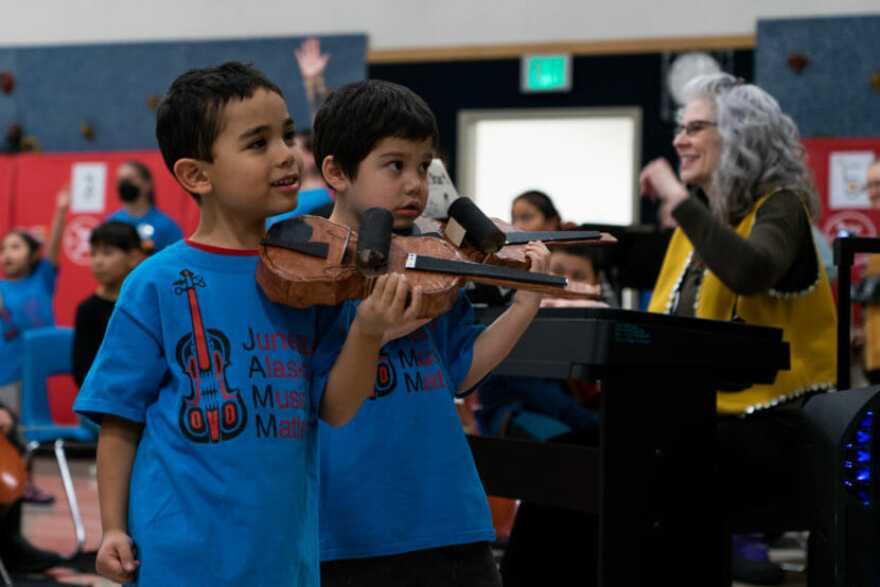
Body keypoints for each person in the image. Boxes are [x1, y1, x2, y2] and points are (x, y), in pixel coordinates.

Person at [74, 62, 417, 587]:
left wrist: (368, 331)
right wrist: (113, 528)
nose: (286, 154)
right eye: (258, 143)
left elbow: (337, 407)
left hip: (283, 555)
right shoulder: (154, 283)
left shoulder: (314, 278)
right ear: (196, 174)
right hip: (178, 557)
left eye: (285, 134)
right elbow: (121, 421)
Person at [312, 79, 551, 587]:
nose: (415, 184)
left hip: (450, 521)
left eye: (424, 166)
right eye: (394, 165)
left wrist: (525, 302)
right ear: (336, 171)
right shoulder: (304, 276)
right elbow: (320, 394)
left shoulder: (432, 267)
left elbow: (460, 373)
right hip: (348, 532)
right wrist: (372, 333)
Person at [640, 73, 836, 585]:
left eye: (696, 127)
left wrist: (675, 200)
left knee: (653, 477)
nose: (680, 139)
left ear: (741, 135)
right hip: (703, 421)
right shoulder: (701, 219)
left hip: (772, 426)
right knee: (588, 464)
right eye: (680, 127)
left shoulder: (782, 205)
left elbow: (750, 271)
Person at [0, 188, 69, 505]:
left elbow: (53, 248)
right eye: (3, 249)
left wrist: (60, 211)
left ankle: (26, 483)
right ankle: (10, 483)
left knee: (27, 432)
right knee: (8, 433)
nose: (6, 254)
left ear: (32, 254)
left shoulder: (43, 278)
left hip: (31, 374)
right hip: (5, 372)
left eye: (15, 247)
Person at [72, 221, 143, 388]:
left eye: (107, 253)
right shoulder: (87, 310)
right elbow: (82, 372)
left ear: (133, 258)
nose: (97, 262)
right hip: (102, 401)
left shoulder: (146, 305)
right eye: (94, 253)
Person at [107, 160, 183, 253]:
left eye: (130, 179)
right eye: (121, 180)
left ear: (147, 184)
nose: (125, 184)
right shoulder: (111, 223)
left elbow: (175, 260)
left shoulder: (166, 225)